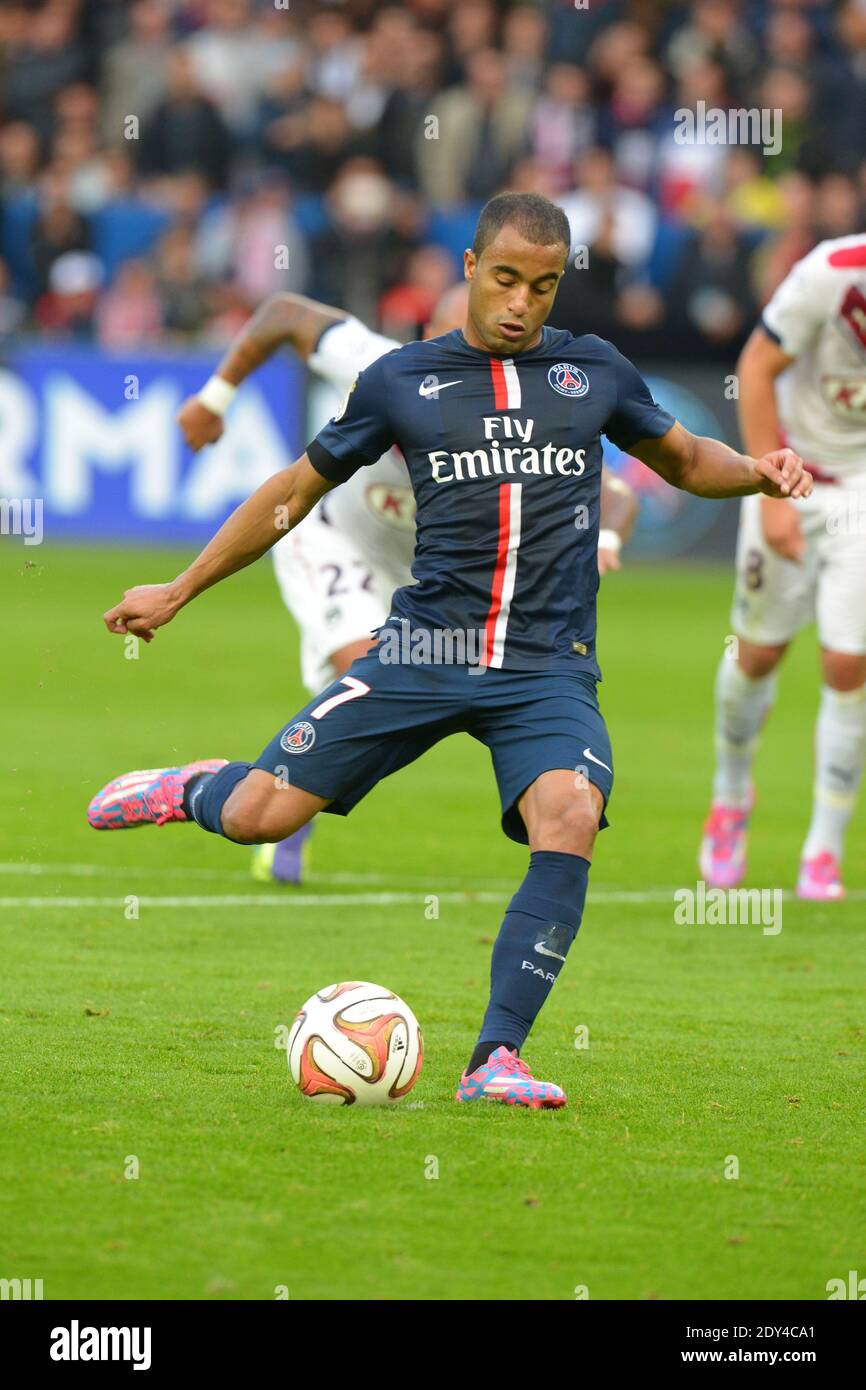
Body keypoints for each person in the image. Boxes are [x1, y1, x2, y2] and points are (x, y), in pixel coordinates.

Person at [87, 192, 811, 1109]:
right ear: (469, 269)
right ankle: (191, 788)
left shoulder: (594, 372)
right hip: (425, 648)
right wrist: (179, 589)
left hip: (548, 665)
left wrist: (759, 470)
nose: (521, 302)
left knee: (571, 815)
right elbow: (291, 494)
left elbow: (682, 459)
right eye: (505, 279)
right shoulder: (400, 380)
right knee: (260, 816)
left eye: (543, 287)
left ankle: (494, 1059)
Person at [176, 285, 639, 884]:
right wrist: (216, 397)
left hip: (422, 578)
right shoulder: (380, 368)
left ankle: (274, 798)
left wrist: (605, 542)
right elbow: (283, 313)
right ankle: (266, 808)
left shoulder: (512, 414)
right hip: (330, 538)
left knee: (355, 681)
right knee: (364, 660)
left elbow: (620, 494)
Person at [700, 234, 866, 901]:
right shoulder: (830, 271)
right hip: (791, 472)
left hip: (860, 488)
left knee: (848, 664)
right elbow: (758, 364)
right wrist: (770, 492)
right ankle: (730, 796)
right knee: (759, 653)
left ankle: (824, 848)